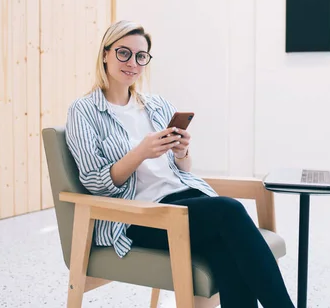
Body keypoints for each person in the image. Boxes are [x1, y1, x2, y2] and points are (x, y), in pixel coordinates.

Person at [65, 20, 295, 308]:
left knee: (225, 249)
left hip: (184, 200)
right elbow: (94, 181)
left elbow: (182, 171)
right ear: (105, 54)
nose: (133, 63)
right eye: (123, 53)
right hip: (139, 215)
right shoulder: (83, 111)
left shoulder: (157, 105)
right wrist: (140, 152)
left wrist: (181, 153)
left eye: (141, 56)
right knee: (230, 209)